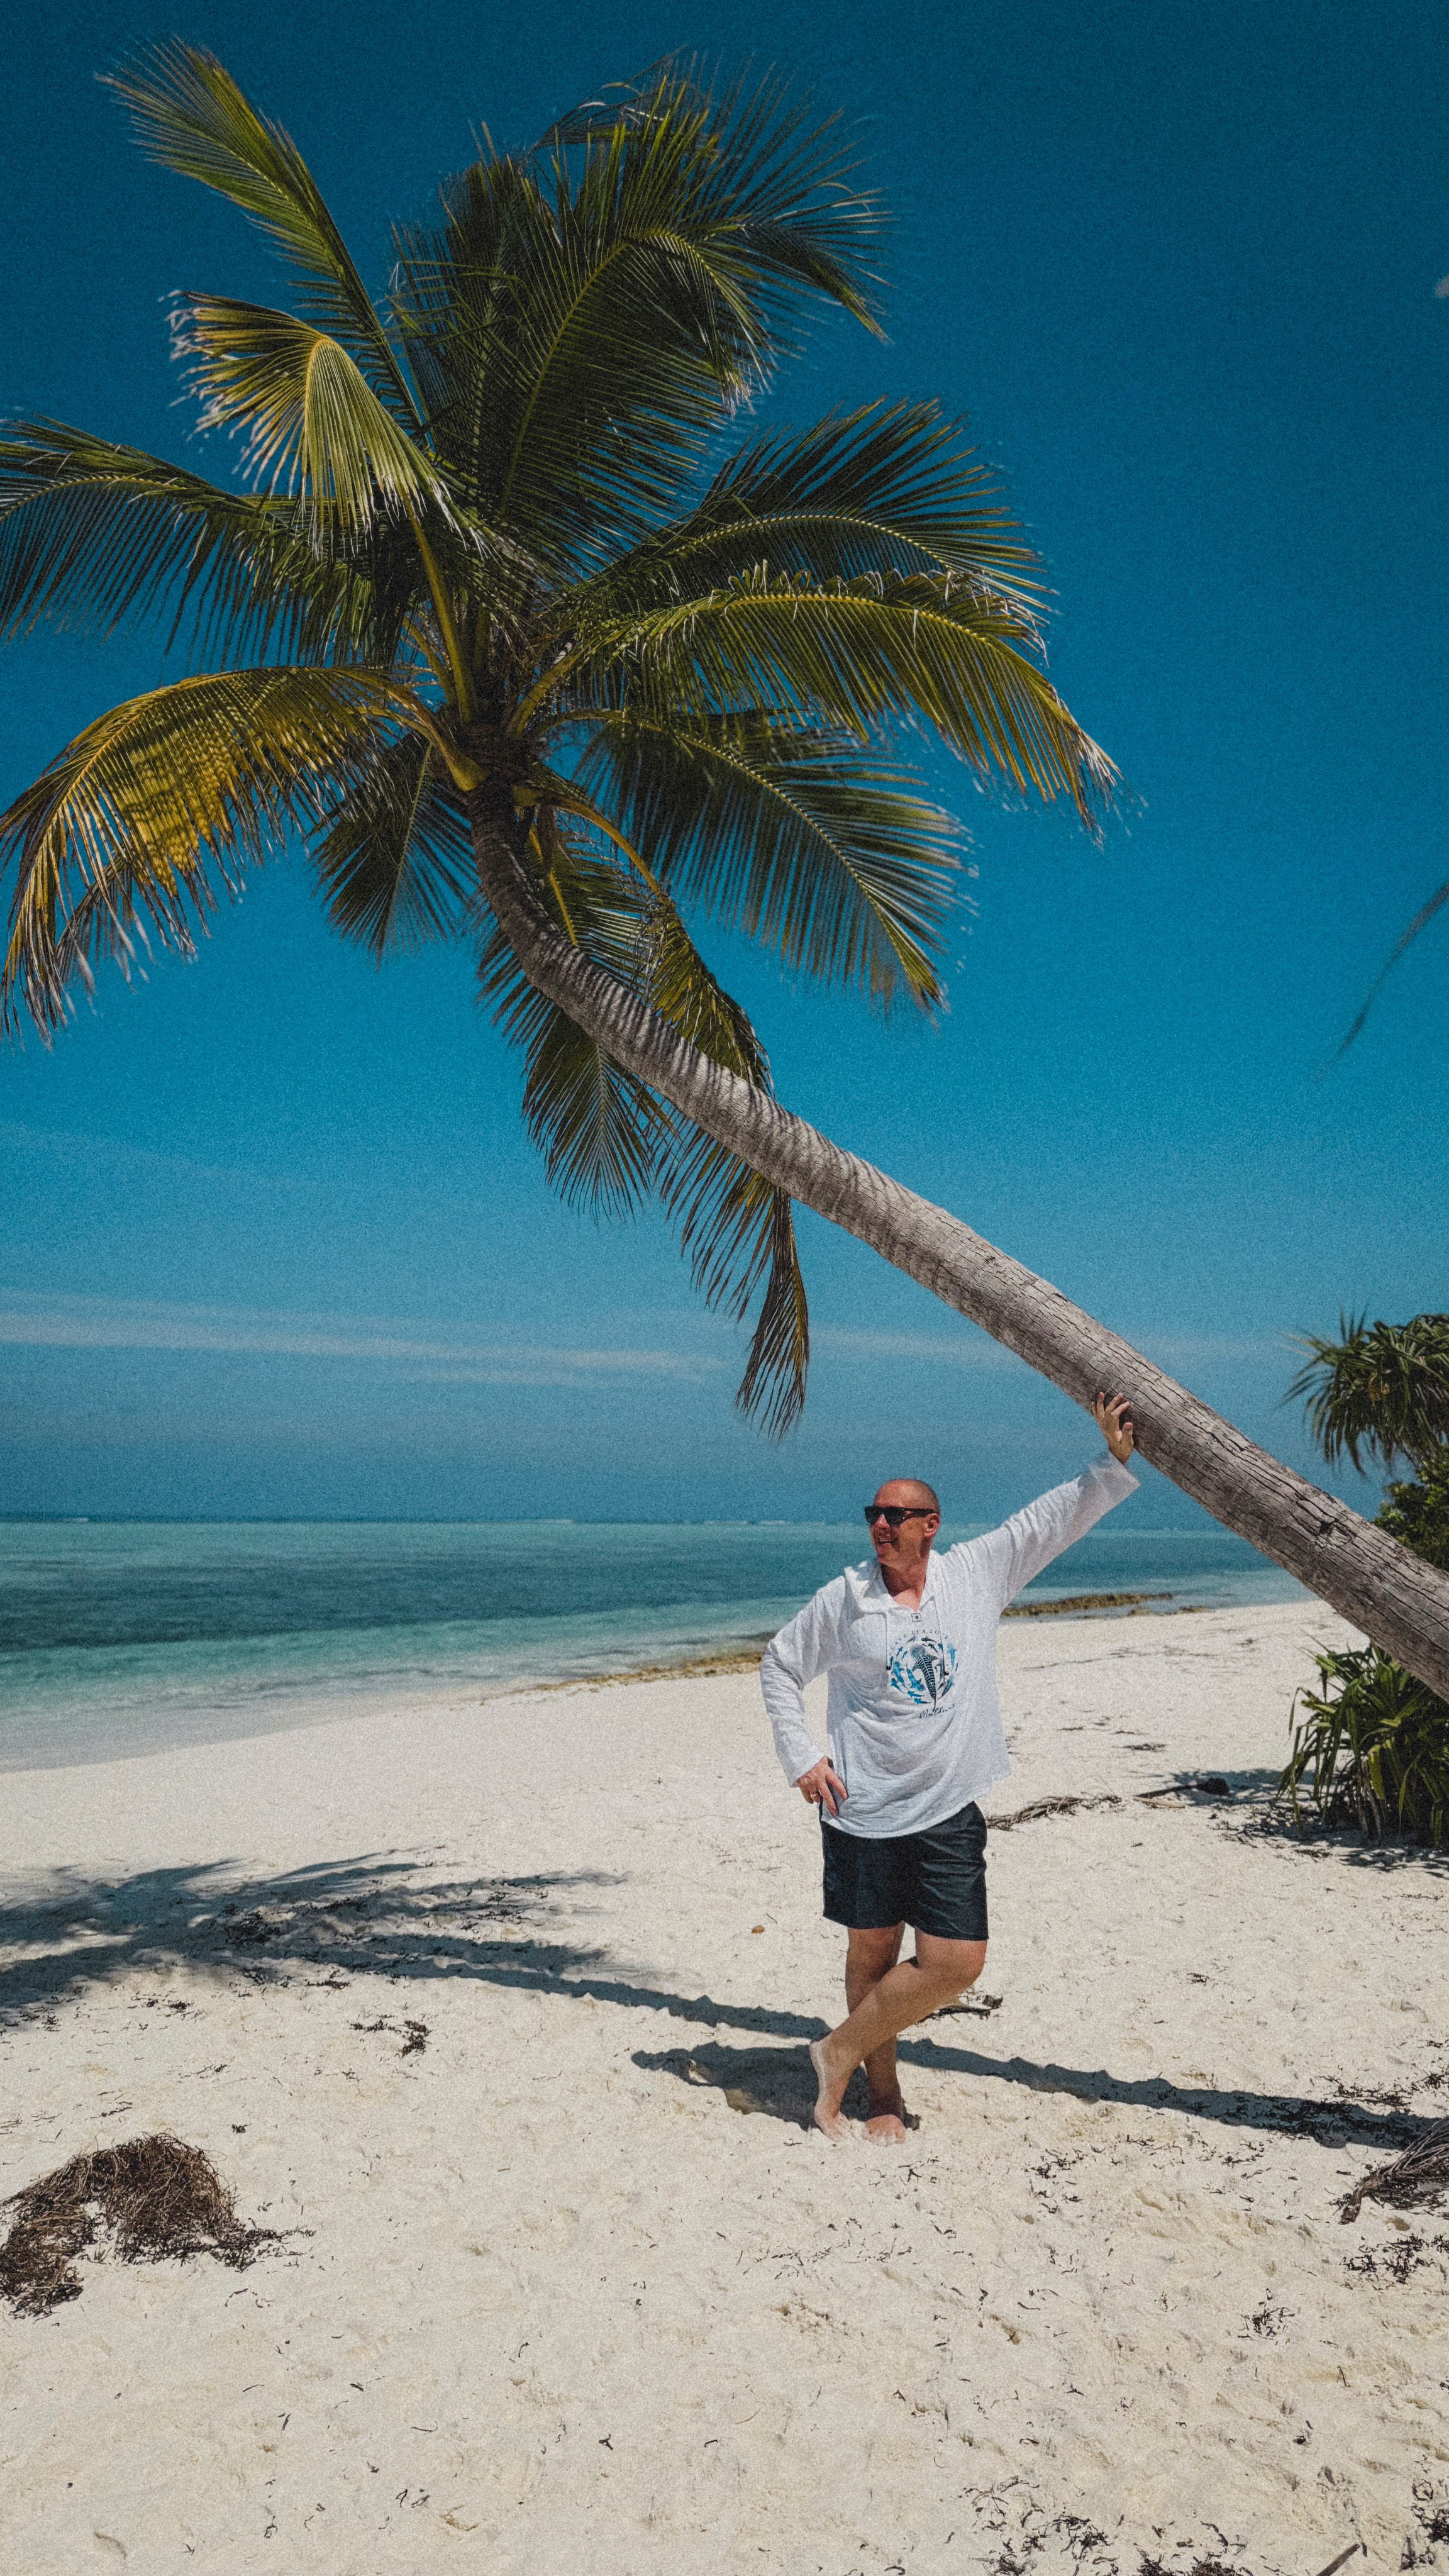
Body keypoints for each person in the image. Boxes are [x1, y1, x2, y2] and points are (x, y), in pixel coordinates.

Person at [760, 1391, 1138, 2143]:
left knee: (957, 1961)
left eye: (896, 1515)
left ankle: (836, 2050)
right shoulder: (846, 1599)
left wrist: (1112, 1459)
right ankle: (882, 2093)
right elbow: (779, 1663)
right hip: (863, 1808)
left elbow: (1050, 1522)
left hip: (947, 1808)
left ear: (930, 1525)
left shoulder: (977, 1574)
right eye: (873, 1514)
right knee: (872, 1951)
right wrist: (801, 1756)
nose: (880, 1525)